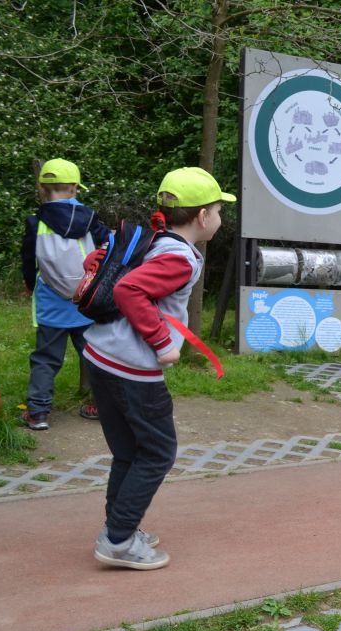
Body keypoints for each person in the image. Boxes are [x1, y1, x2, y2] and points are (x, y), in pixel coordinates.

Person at [84, 166, 235, 570]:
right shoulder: (179, 257)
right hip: (131, 368)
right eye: (219, 210)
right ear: (203, 216)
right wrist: (162, 344)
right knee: (158, 452)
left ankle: (119, 527)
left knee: (128, 452)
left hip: (101, 355)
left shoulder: (157, 241)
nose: (220, 218)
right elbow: (128, 289)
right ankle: (118, 541)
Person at [19, 158, 110, 430]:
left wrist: (29, 284)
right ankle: (102, 406)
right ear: (74, 187)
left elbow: (28, 260)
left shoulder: (35, 222)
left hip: (51, 305)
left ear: (42, 188)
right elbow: (108, 247)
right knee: (94, 355)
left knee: (46, 359)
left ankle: (38, 413)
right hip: (86, 301)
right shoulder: (91, 219)